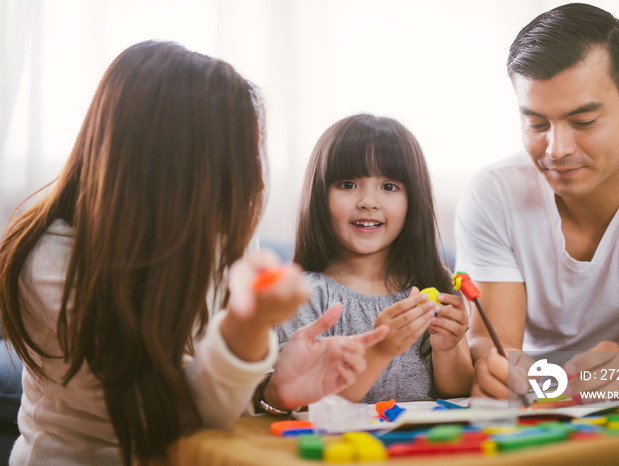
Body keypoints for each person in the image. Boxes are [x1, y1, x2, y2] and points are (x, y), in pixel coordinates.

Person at [0, 41, 386, 466]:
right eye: (235, 159)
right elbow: (171, 414)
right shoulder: (53, 263)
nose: (256, 183)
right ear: (169, 164)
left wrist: (270, 390)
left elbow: (216, 397)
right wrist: (247, 322)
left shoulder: (212, 235)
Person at [454, 3, 619, 401]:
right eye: (536, 123)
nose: (557, 149)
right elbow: (490, 343)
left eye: (583, 122)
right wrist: (497, 369)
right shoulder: (493, 192)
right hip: (537, 399)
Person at [275, 114, 474, 406]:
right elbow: (309, 405)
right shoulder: (303, 297)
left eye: (389, 186)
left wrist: (447, 348)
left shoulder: (436, 283)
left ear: (413, 200)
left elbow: (458, 395)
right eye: (347, 184)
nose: (368, 201)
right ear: (320, 196)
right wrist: (379, 350)